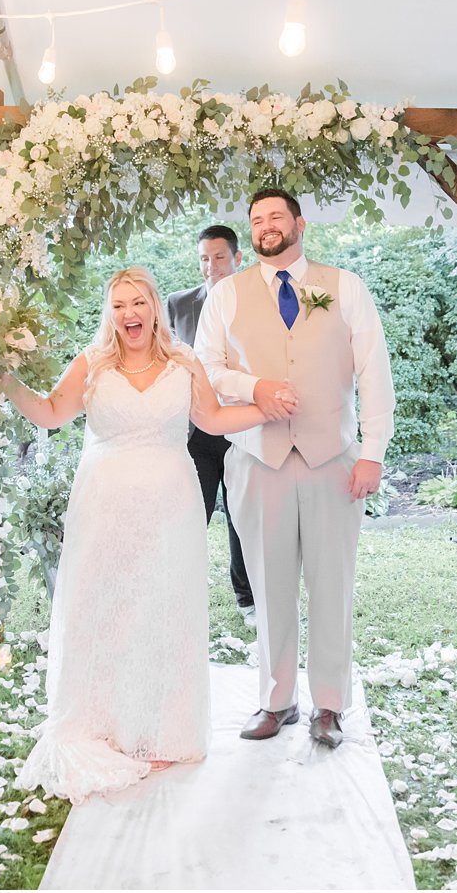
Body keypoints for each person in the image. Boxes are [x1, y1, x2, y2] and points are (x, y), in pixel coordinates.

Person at [2, 267, 291, 802]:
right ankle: (107, 724)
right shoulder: (91, 364)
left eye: (138, 302)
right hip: (104, 505)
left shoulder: (184, 361)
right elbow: (48, 412)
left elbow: (210, 419)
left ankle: (161, 730)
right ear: (109, 313)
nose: (129, 313)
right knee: (106, 607)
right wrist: (6, 382)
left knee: (162, 608)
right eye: (118, 305)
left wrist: (264, 410)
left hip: (170, 504)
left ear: (155, 307)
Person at [195, 187, 395, 750]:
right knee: (268, 583)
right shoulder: (227, 295)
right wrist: (254, 386)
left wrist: (373, 451)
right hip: (260, 460)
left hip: (332, 459)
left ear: (299, 224)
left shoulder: (345, 287)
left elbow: (373, 370)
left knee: (332, 585)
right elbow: (207, 370)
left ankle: (329, 705)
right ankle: (277, 700)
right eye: (256, 220)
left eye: (275, 216)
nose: (265, 227)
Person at [166, 224, 256, 627]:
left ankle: (248, 598)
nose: (211, 266)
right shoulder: (177, 304)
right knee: (190, 514)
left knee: (242, 516)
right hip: (197, 431)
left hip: (243, 429)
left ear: (238, 258)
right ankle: (179, 595)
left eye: (219, 257)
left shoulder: (260, 304)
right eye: (204, 258)